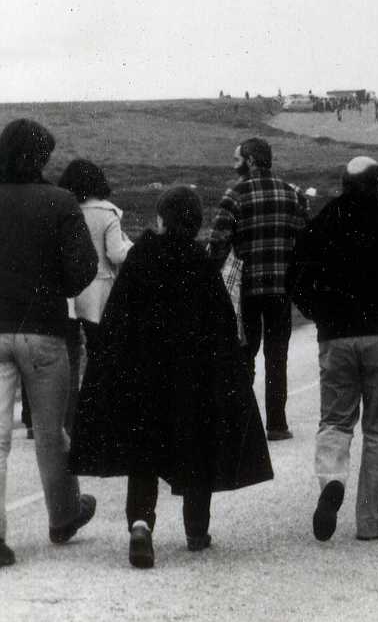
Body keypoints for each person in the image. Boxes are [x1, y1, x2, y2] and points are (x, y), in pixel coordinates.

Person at [70, 186, 272, 568]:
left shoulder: (140, 260)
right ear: (195, 222)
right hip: (192, 380)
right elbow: (223, 328)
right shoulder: (200, 264)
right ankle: (196, 530)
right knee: (197, 450)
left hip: (144, 376)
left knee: (144, 455)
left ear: (161, 220)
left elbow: (115, 323)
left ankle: (141, 524)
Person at [287, 157, 378, 543]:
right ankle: (372, 521)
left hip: (334, 337)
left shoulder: (320, 224)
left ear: (342, 185)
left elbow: (295, 280)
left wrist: (319, 314)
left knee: (335, 420)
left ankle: (332, 480)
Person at [0, 119, 99, 566]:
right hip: (43, 328)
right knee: (49, 432)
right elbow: (83, 270)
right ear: (40, 158)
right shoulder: (60, 202)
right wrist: (49, 284)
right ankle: (63, 516)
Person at [207, 137, 308, 441]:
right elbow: (304, 240)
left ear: (250, 160)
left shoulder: (235, 193)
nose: (232, 164)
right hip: (281, 288)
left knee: (244, 354)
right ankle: (277, 424)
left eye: (236, 158)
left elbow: (218, 242)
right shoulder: (293, 194)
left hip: (247, 288)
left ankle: (244, 425)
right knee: (278, 356)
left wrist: (209, 279)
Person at [56, 159, 133, 429]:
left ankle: (68, 420)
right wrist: (129, 245)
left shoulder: (65, 210)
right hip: (99, 290)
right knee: (100, 354)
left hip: (67, 292)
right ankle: (99, 418)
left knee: (70, 357)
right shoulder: (108, 213)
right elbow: (115, 254)